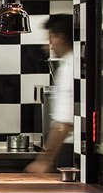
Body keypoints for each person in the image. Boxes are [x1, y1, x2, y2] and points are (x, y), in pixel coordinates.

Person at [26, 14, 74, 173]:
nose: (47, 46)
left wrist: (44, 161)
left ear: (59, 37)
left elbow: (63, 123)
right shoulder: (78, 63)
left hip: (68, 150)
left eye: (49, 39)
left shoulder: (69, 67)